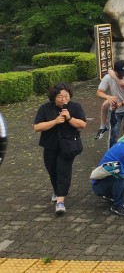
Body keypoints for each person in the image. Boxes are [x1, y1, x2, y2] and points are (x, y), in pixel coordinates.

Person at [33, 83, 87, 216]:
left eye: (66, 96)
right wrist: (55, 121)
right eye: (60, 97)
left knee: (63, 171)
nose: (64, 99)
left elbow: (82, 124)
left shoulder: (75, 107)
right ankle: (57, 191)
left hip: (68, 146)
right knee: (52, 170)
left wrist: (69, 118)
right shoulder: (45, 108)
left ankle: (60, 202)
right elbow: (37, 127)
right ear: (54, 97)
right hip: (50, 145)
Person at [91, 120, 124, 216]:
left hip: (107, 179)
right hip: (99, 186)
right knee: (122, 176)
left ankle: (112, 194)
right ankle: (118, 205)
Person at [97, 60, 124, 147]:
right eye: (120, 73)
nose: (123, 75)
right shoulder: (108, 77)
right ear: (115, 71)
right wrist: (107, 97)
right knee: (114, 133)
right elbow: (99, 92)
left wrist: (122, 103)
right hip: (115, 111)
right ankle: (112, 154)